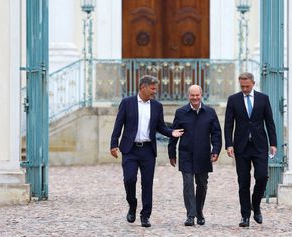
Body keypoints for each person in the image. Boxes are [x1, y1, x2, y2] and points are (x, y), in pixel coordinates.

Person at [110, 75, 184, 228]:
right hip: (129, 150)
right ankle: (132, 204)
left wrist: (172, 133)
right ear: (143, 87)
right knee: (129, 180)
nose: (155, 91)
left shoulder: (157, 106)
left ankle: (145, 215)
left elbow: (160, 127)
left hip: (148, 150)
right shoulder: (127, 103)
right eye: (152, 88)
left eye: (155, 88)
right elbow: (118, 125)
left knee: (147, 183)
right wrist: (113, 144)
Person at [224, 72, 277, 227]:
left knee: (262, 177)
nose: (245, 89)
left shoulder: (263, 99)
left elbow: (270, 122)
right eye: (242, 86)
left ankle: (256, 204)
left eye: (247, 86)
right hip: (241, 147)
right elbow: (228, 124)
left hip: (259, 145)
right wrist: (229, 144)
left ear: (253, 83)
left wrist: (273, 143)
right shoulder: (233, 99)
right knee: (243, 182)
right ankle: (245, 216)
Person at [168, 84, 222, 226]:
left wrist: (215, 150)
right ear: (188, 96)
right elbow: (174, 133)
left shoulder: (210, 112)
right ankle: (190, 215)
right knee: (188, 184)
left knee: (202, 184)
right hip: (186, 154)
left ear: (201, 95)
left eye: (197, 95)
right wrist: (171, 152)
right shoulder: (181, 112)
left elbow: (216, 133)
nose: (195, 98)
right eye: (192, 95)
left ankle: (199, 211)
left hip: (203, 155)